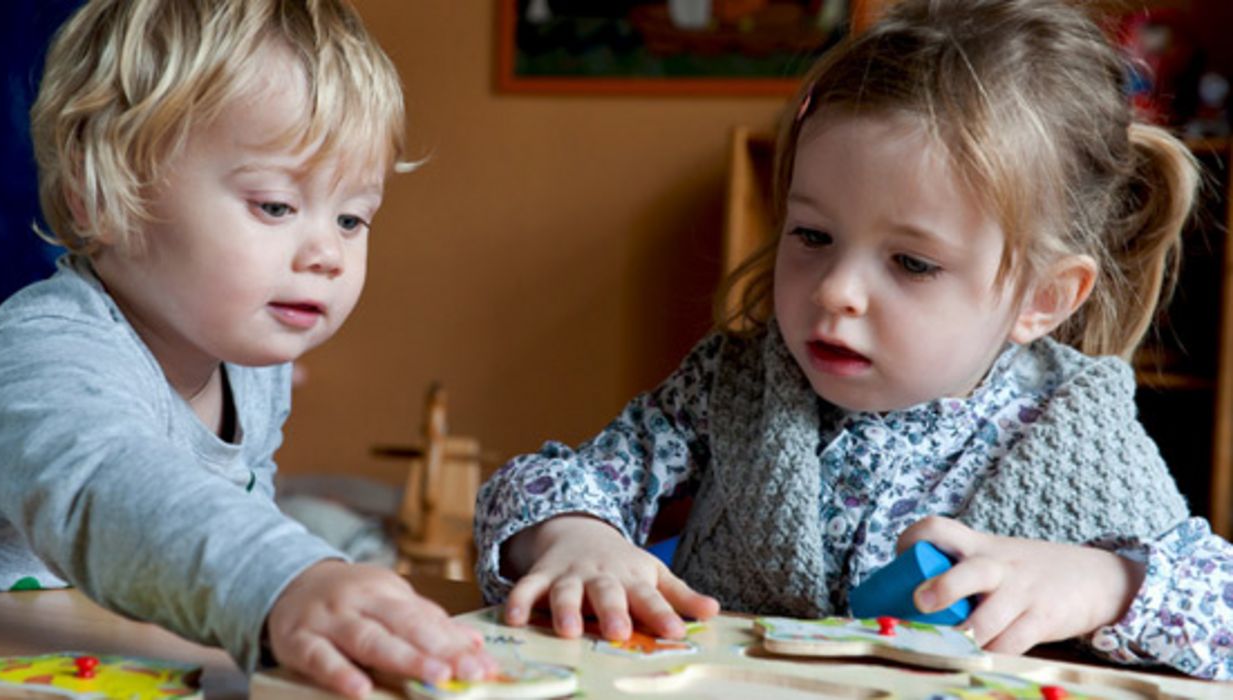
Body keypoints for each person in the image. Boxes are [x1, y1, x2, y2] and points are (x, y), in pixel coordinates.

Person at [476, 0, 1232, 680]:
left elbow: (1220, 610)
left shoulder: (1075, 429)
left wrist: (1103, 585)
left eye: (911, 262)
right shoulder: (736, 380)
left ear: (1041, 298)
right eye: (811, 234)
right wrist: (572, 539)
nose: (835, 289)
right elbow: (549, 483)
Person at [0, 1, 493, 697]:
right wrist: (286, 581)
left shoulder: (248, 370)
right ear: (100, 195)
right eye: (274, 205)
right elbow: (113, 491)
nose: (327, 252)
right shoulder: (41, 359)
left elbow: (232, 519)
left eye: (352, 217)